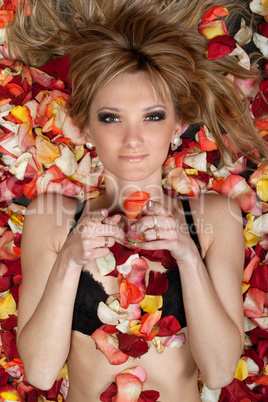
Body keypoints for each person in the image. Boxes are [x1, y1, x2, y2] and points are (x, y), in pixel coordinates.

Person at [6, 0, 268, 401]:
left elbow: (217, 371)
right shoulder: (51, 217)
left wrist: (186, 254)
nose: (132, 139)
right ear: (86, 128)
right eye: (111, 117)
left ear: (178, 125)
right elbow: (41, 372)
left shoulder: (216, 216)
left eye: (153, 116)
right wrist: (70, 259)